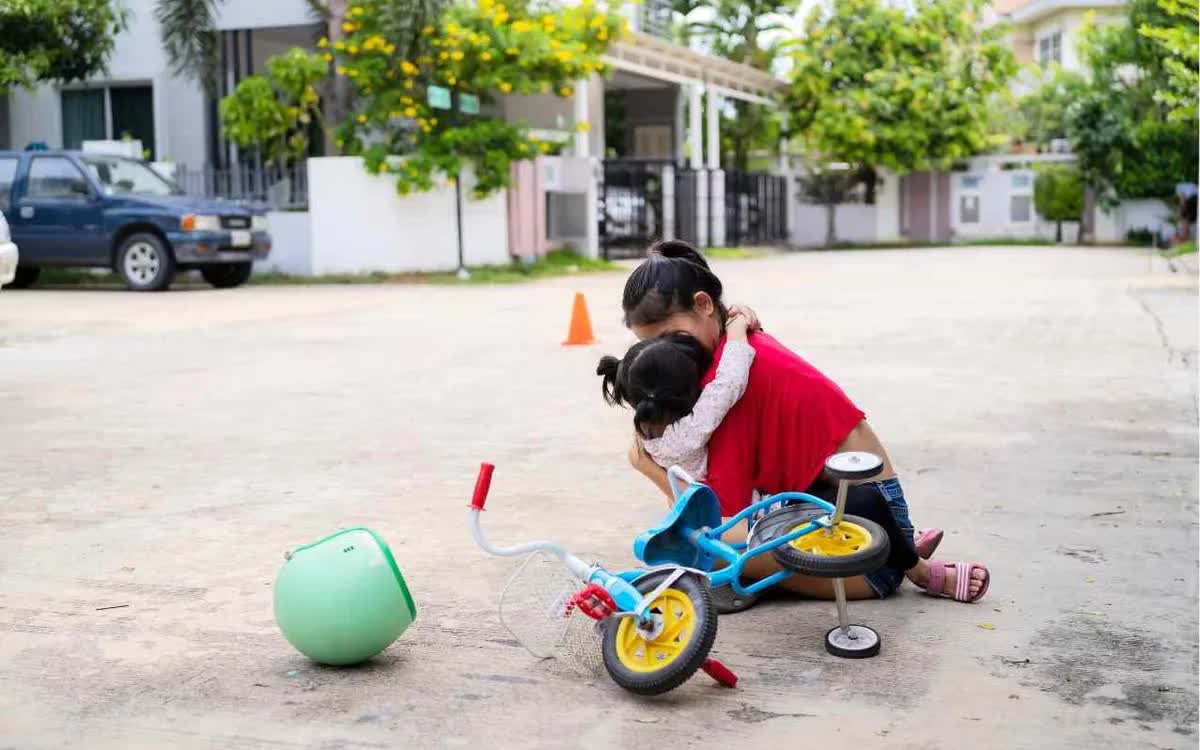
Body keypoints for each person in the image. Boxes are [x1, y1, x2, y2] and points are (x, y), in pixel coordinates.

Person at [618, 240, 988, 606]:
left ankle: (908, 564)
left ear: (704, 305)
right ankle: (896, 551)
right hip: (861, 517)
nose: (666, 353)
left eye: (671, 338)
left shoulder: (732, 385)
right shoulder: (737, 351)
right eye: (650, 346)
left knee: (690, 548)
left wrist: (649, 467)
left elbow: (716, 521)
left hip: (873, 561)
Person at [596, 311, 756, 482]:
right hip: (728, 494)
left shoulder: (649, 427)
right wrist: (736, 327)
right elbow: (729, 382)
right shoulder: (687, 432)